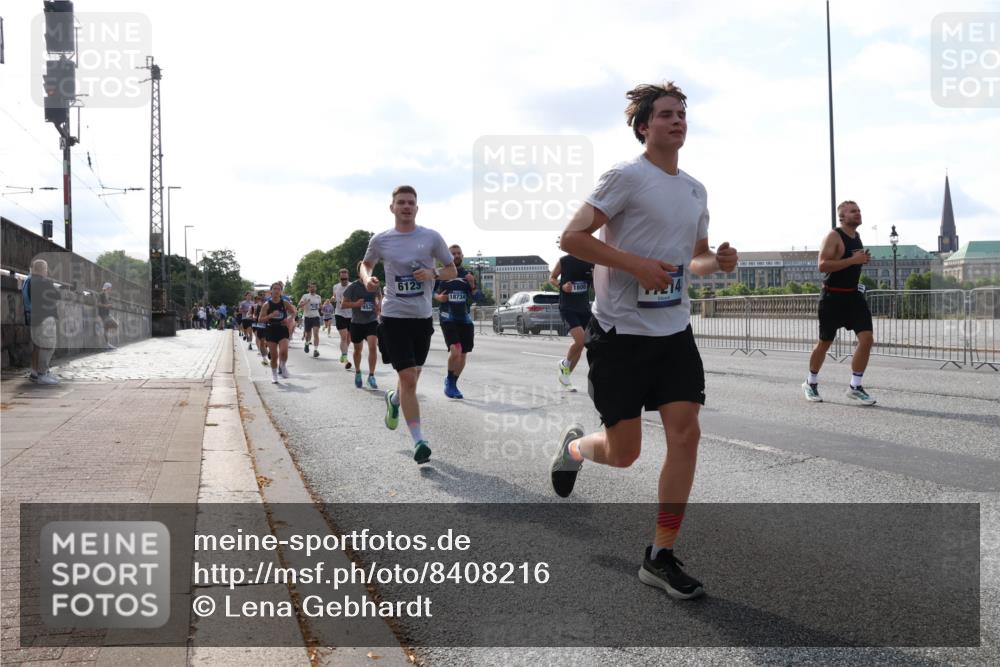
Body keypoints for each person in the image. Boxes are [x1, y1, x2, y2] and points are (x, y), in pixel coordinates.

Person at [550, 82, 739, 600]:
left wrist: (715, 262)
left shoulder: (695, 190)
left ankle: (660, 556)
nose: (677, 121)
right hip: (619, 336)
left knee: (685, 434)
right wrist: (635, 265)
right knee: (624, 453)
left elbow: (694, 256)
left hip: (674, 332)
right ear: (643, 126)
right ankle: (573, 448)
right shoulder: (625, 178)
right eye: (666, 115)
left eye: (682, 114)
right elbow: (572, 238)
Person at [360, 185, 456, 464]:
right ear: (392, 207)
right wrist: (368, 280)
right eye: (401, 202)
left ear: (417, 207)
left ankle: (394, 401)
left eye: (410, 203)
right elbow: (365, 264)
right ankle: (419, 442)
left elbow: (451, 269)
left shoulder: (431, 237)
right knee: (408, 378)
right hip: (394, 316)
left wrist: (433, 272)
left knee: (412, 376)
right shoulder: (381, 240)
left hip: (422, 317)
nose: (406, 206)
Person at [803, 201, 877, 405]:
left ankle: (855, 386)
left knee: (867, 339)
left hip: (853, 297)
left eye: (859, 210)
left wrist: (860, 260)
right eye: (853, 211)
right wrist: (852, 261)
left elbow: (849, 263)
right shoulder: (833, 236)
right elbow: (822, 265)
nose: (858, 214)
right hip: (832, 298)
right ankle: (811, 382)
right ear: (842, 217)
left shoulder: (857, 237)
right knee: (824, 343)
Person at [434, 244, 481, 399]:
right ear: (447, 256)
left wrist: (472, 284)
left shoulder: (468, 274)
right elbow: (430, 292)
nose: (456, 255)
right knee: (456, 350)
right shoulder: (440, 274)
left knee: (463, 354)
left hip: (464, 318)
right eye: (452, 253)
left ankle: (453, 382)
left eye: (458, 253)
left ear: (462, 255)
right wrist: (438, 297)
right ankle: (449, 381)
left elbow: (477, 297)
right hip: (448, 316)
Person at [549, 253, 594, 392]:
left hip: (585, 308)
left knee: (583, 345)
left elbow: (595, 285)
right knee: (580, 341)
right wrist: (562, 286)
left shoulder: (591, 261)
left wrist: (595, 277)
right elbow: (552, 278)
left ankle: (565, 376)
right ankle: (565, 364)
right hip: (568, 308)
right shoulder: (565, 260)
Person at [342, 263, 382, 390]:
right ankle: (358, 372)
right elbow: (343, 304)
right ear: (359, 273)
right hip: (357, 322)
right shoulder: (353, 287)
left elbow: (379, 296)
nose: (366, 274)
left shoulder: (375, 284)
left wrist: (378, 305)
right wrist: (356, 304)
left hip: (371, 321)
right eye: (364, 271)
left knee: (372, 347)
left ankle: (371, 376)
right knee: (357, 350)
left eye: (368, 271)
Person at [22, 259, 62, 384]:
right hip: (45, 318)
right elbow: (57, 295)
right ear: (43, 270)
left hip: (33, 317)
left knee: (37, 346)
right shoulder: (44, 282)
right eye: (46, 269)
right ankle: (42, 374)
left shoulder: (28, 281)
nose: (47, 271)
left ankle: (35, 372)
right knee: (47, 346)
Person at [259, 282, 297, 383]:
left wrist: (289, 319)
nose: (276, 291)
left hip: (282, 329)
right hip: (271, 330)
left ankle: (283, 366)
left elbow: (293, 312)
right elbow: (260, 319)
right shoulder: (267, 305)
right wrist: (271, 315)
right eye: (274, 289)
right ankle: (274, 374)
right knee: (274, 355)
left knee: (284, 351)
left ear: (281, 291)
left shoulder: (285, 303)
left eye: (278, 289)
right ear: (271, 291)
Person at [332, 268, 353, 370]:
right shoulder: (335, 287)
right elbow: (335, 297)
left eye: (345, 278)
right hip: (339, 313)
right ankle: (345, 358)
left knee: (349, 338)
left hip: (351, 315)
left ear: (348, 277)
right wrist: (333, 299)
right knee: (344, 337)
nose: (344, 280)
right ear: (339, 277)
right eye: (342, 278)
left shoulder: (352, 286)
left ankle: (343, 354)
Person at [299, 282, 323, 358]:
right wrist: (306, 302)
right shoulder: (305, 296)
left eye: (314, 287)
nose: (312, 288)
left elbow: (319, 307)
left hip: (316, 317)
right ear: (308, 288)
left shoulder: (318, 297)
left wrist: (322, 308)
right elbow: (300, 305)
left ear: (316, 288)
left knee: (316, 333)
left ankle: (315, 350)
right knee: (308, 335)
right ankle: (307, 343)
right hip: (307, 317)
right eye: (311, 287)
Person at [97, 282, 119, 350]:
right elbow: (98, 304)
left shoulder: (108, 295)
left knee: (109, 327)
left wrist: (110, 305)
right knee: (115, 325)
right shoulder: (101, 294)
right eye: (110, 288)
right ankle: (107, 344)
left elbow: (108, 304)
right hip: (103, 314)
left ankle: (107, 344)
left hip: (107, 314)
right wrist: (106, 305)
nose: (110, 290)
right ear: (107, 288)